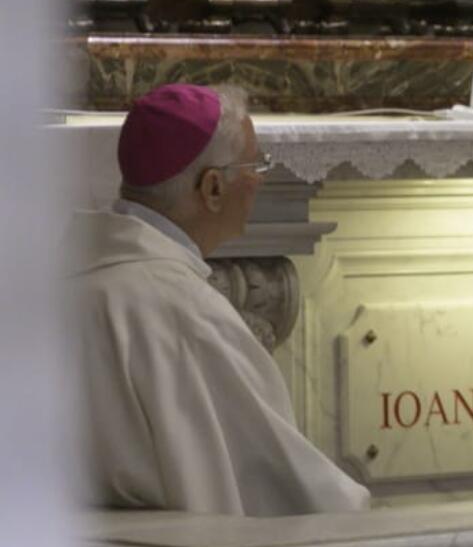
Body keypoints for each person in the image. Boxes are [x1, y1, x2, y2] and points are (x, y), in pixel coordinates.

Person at [68, 84, 371, 515]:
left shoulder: (58, 282)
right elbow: (289, 487)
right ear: (212, 189)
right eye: (255, 164)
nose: (260, 179)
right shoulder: (185, 314)